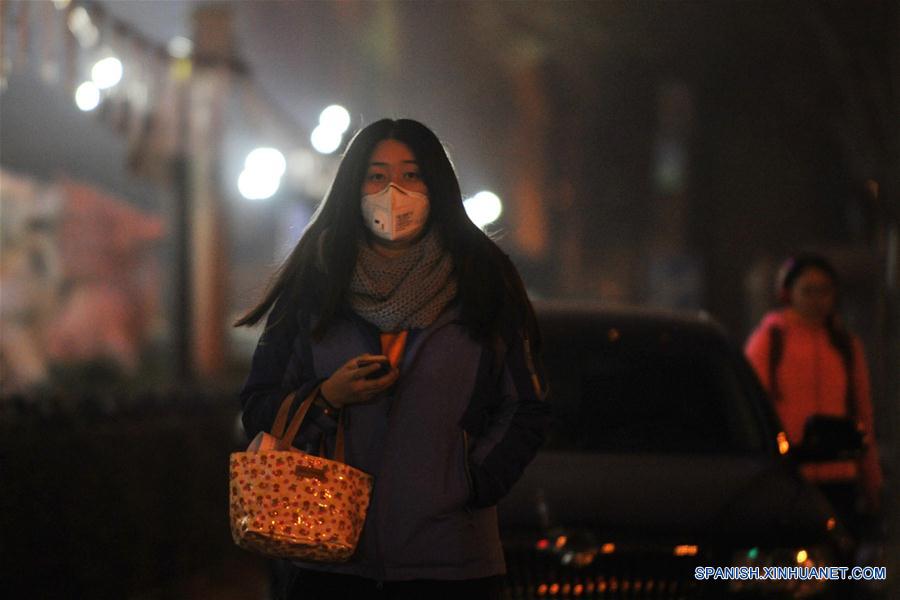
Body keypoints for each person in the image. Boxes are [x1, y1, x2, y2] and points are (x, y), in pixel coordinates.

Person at [235, 118, 550, 600]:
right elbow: (258, 405)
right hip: (329, 558)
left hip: (451, 562)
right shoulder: (315, 283)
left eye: (412, 175)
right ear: (353, 187)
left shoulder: (484, 281)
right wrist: (326, 399)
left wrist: (469, 482)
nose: (393, 192)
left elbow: (525, 405)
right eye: (377, 176)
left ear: (437, 185)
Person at [744, 253, 883, 535]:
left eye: (824, 291)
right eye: (808, 291)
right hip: (789, 475)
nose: (817, 300)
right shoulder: (770, 341)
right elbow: (752, 409)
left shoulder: (844, 345)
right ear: (788, 293)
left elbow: (862, 412)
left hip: (841, 475)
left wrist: (871, 480)